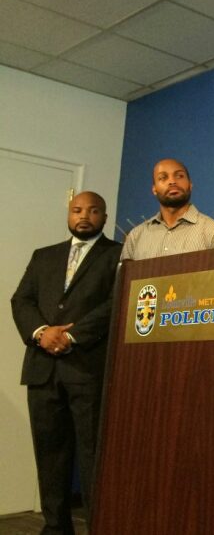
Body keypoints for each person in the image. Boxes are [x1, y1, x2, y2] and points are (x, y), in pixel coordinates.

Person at [10, 191, 122, 535]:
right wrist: (42, 332)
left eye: (93, 211)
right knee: (50, 455)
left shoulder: (118, 256)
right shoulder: (44, 256)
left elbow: (115, 303)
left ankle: (98, 526)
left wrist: (71, 336)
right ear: (69, 215)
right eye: (77, 210)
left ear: (104, 217)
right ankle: (55, 527)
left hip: (87, 370)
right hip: (43, 371)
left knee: (91, 457)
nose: (84, 216)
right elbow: (21, 300)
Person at [122, 158, 214, 260]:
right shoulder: (136, 237)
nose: (172, 181)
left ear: (190, 185)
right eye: (163, 178)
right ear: (154, 189)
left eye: (179, 176)